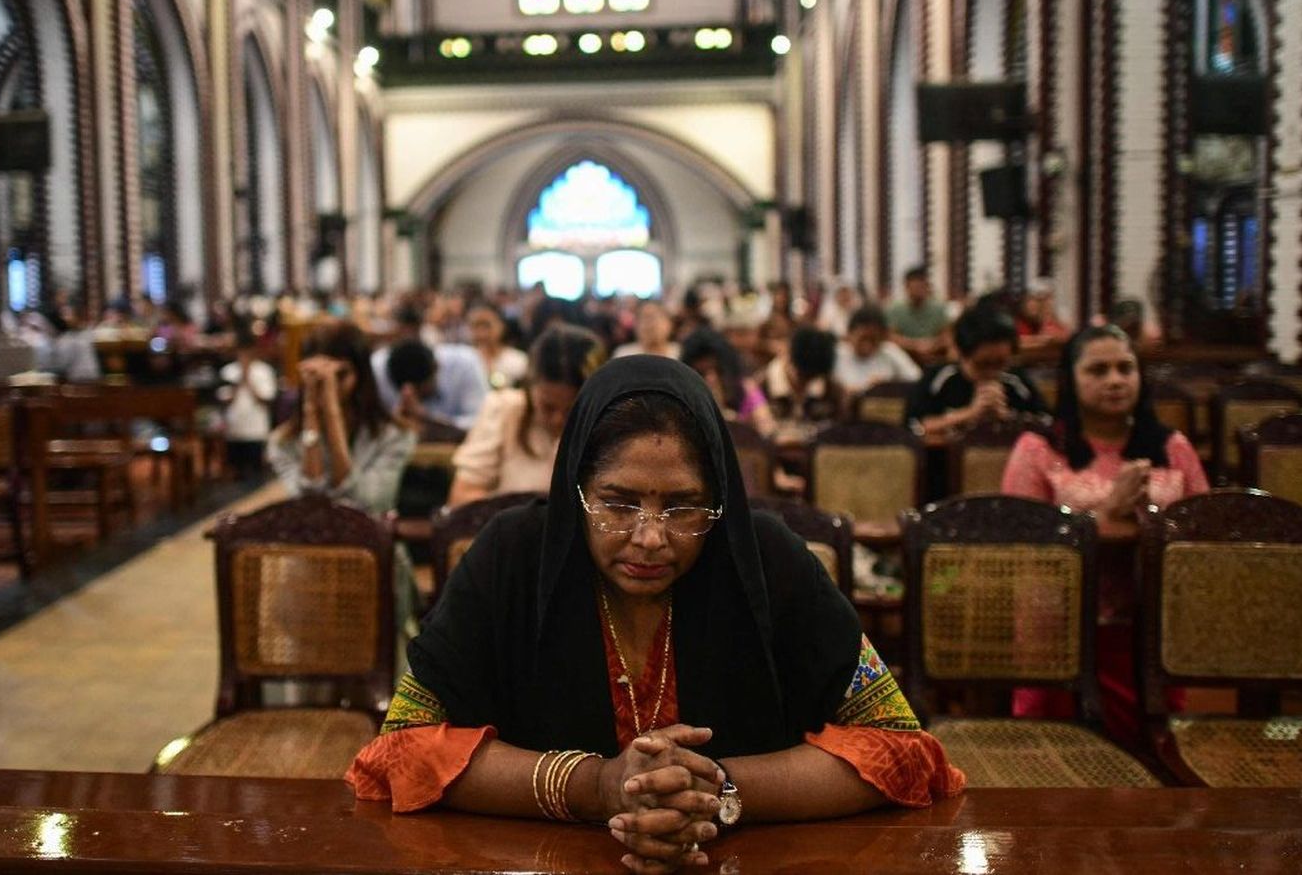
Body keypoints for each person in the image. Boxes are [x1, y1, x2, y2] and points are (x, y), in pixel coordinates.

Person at [347, 357, 962, 871]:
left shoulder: (766, 562)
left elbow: (900, 745)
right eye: (617, 504)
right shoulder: (510, 558)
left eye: (683, 507)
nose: (649, 539)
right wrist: (596, 786)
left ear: (719, 498)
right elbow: (400, 746)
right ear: (575, 492)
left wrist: (715, 788)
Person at [1000, 324, 1209, 744]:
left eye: (1125, 368)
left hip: (1151, 620)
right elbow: (1020, 542)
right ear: (1071, 380)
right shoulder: (1039, 448)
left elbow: (1203, 530)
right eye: (1098, 370)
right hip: (1062, 625)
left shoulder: (1171, 447)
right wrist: (1110, 510)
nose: (1115, 380)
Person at [267, 321, 416, 515]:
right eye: (315, 374)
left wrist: (332, 414)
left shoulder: (395, 435)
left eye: (340, 374)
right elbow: (307, 502)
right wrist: (310, 413)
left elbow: (367, 503)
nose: (330, 385)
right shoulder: (283, 442)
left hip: (369, 543)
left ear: (361, 375)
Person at [447, 327, 606, 507]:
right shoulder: (505, 409)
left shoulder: (609, 425)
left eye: (573, 410)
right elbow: (462, 495)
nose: (558, 420)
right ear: (530, 386)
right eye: (548, 407)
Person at [905, 305, 1047, 439]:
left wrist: (1007, 418)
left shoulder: (1015, 380)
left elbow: (1047, 423)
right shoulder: (938, 378)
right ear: (961, 355)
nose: (992, 372)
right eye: (983, 364)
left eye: (1001, 363)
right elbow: (913, 427)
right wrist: (970, 413)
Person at [679, 328, 777, 440]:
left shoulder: (745, 388)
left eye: (717, 370)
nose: (711, 378)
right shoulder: (684, 400)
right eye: (702, 373)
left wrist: (740, 426)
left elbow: (768, 429)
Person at [373, 337, 489, 430]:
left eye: (420, 391)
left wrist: (429, 419)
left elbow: (480, 424)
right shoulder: (376, 369)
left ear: (436, 367)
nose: (413, 397)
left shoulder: (466, 364)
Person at [219, 329, 278, 477]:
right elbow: (224, 399)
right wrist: (240, 379)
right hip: (234, 429)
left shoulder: (264, 371)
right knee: (236, 472)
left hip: (256, 430)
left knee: (256, 474)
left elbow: (266, 398)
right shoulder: (228, 371)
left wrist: (248, 379)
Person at [758, 326, 843, 424]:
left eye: (811, 379)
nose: (805, 384)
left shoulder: (831, 389)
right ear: (788, 359)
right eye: (801, 377)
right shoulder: (761, 387)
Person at [831, 306, 921, 398]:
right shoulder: (836, 354)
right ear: (850, 334)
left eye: (873, 339)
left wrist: (888, 386)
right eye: (863, 338)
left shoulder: (890, 352)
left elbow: (917, 380)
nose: (867, 345)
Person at [885, 267, 950, 364]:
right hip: (904, 359)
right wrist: (915, 346)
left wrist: (932, 345)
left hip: (934, 357)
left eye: (922, 286)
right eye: (915, 287)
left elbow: (947, 336)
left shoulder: (939, 308)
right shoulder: (894, 309)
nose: (919, 290)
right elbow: (891, 337)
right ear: (906, 286)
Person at [466, 303, 529, 391]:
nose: (481, 333)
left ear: (501, 326)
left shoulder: (518, 360)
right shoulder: (465, 362)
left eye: (486, 326)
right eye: (475, 326)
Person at [1015, 279, 1071, 351]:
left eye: (1048, 298)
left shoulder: (1052, 319)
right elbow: (1017, 341)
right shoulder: (1020, 322)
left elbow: (1066, 336)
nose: (1034, 305)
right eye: (1031, 300)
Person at [613, 301, 680, 361]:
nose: (650, 324)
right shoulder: (624, 355)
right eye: (645, 318)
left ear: (670, 324)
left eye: (655, 317)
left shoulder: (680, 353)